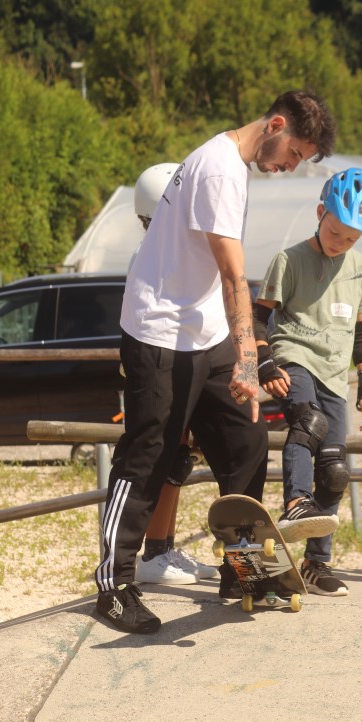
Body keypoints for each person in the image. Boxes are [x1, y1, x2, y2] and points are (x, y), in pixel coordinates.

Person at [94, 89, 338, 633]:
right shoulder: (222, 170)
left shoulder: (231, 163)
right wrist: (250, 363)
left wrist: (237, 358)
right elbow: (234, 276)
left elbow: (216, 276)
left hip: (202, 331)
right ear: (276, 124)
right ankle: (113, 585)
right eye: (294, 153)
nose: (290, 166)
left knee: (244, 442)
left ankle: (241, 565)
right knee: (147, 454)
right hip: (159, 330)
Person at [254, 167, 362, 598]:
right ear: (320, 213)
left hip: (335, 373)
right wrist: (265, 364)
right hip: (294, 358)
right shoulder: (289, 260)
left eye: (351, 238)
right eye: (335, 231)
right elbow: (258, 317)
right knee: (307, 421)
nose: (340, 242)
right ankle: (295, 502)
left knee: (334, 472)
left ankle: (316, 563)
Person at [132, 163, 219, 585]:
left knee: (177, 459)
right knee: (160, 459)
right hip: (158, 369)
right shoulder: (148, 261)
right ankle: (151, 554)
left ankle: (161, 549)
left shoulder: (165, 255)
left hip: (186, 365)